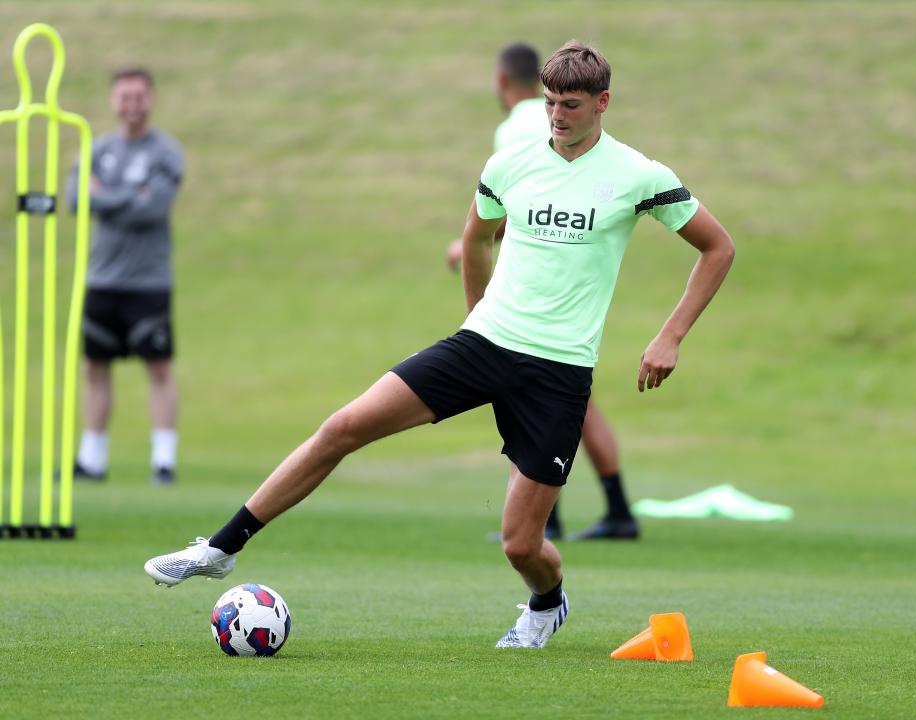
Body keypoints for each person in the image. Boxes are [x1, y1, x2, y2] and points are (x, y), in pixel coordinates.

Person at [144, 42, 734, 650]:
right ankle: (221, 548)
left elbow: (719, 247)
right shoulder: (510, 163)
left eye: (571, 105)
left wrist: (671, 336)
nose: (557, 116)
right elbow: (475, 239)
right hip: (485, 344)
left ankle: (548, 601)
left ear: (603, 103)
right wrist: (475, 319)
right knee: (344, 426)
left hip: (558, 372)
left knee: (521, 545)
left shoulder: (639, 176)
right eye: (550, 102)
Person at [447, 42, 638, 541]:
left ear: (501, 82)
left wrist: (470, 245)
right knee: (578, 407)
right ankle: (615, 510)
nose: (558, 114)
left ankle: (550, 520)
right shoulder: (553, 113)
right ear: (541, 85)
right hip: (568, 303)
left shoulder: (515, 128)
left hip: (543, 303)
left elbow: (530, 206)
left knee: (553, 405)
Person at [67, 67, 184, 485]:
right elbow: (76, 198)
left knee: (158, 368)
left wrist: (106, 196)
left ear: (150, 99)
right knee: (95, 367)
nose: (131, 104)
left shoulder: (166, 153)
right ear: (113, 101)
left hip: (148, 282)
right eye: (123, 96)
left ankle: (163, 460)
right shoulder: (96, 149)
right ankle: (92, 458)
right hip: (102, 278)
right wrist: (126, 196)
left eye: (138, 96)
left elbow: (152, 208)